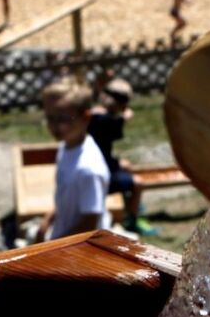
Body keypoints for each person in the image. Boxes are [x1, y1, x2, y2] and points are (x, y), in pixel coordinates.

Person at [41, 76, 110, 242]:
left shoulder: (88, 170)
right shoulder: (66, 145)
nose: (55, 126)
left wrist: (52, 246)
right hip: (62, 236)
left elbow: (90, 224)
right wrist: (47, 220)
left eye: (64, 119)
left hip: (79, 248)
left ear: (86, 117)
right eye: (50, 118)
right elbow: (64, 196)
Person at [88, 77, 153, 235]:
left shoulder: (96, 114)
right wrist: (123, 118)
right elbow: (114, 123)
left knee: (127, 165)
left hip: (102, 163)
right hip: (99, 175)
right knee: (139, 183)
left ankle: (132, 206)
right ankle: (133, 221)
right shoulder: (105, 120)